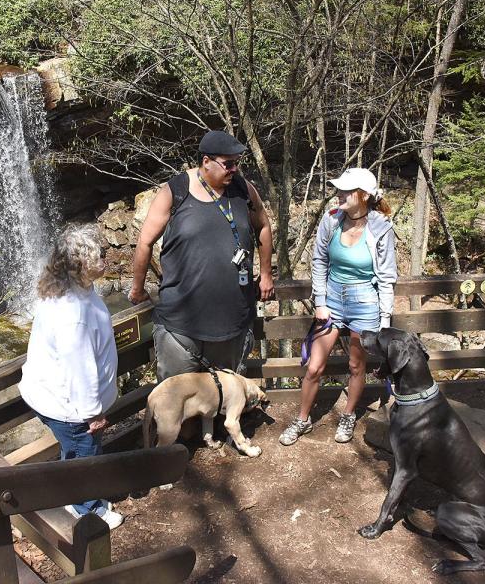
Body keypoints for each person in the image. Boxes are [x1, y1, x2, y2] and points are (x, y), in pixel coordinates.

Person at [128, 130, 275, 379]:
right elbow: (144, 242)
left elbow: (264, 227)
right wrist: (137, 288)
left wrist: (266, 274)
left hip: (233, 321)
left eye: (237, 163)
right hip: (181, 326)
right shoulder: (175, 191)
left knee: (225, 400)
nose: (234, 170)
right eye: (228, 164)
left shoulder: (244, 190)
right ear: (206, 161)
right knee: (178, 404)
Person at [279, 167, 397, 446]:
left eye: (346, 190)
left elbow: (387, 276)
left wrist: (384, 320)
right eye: (339, 189)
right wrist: (320, 301)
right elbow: (318, 261)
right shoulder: (331, 220)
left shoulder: (380, 227)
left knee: (357, 366)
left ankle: (347, 415)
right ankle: (303, 419)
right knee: (314, 367)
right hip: (332, 299)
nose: (339, 194)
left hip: (365, 302)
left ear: (364, 195)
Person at [18, 224, 123, 529]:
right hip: (70, 407)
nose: (105, 259)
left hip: (60, 397)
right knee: (83, 454)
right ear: (79, 265)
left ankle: (74, 493)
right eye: (98, 256)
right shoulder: (72, 314)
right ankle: (87, 509)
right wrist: (92, 415)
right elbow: (79, 369)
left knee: (75, 452)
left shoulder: (72, 291)